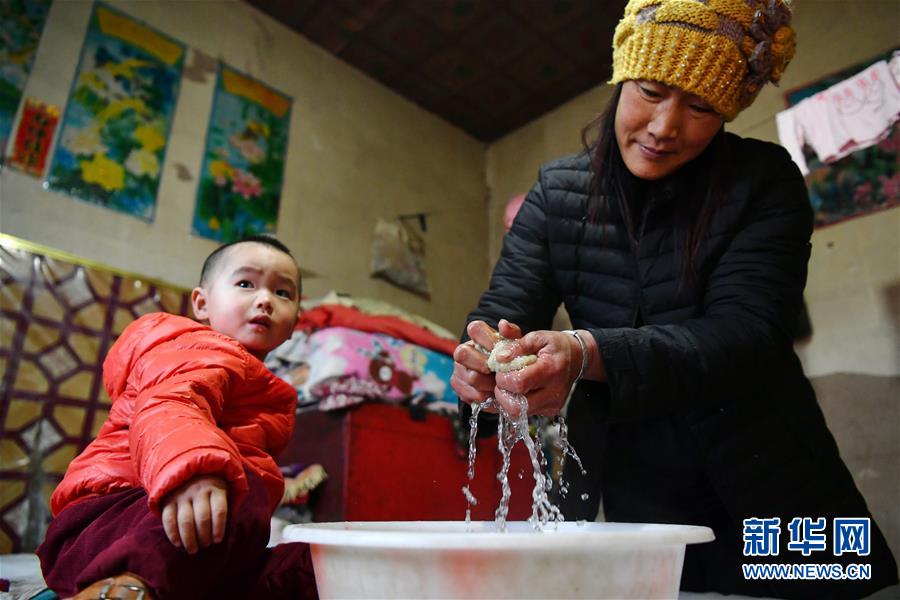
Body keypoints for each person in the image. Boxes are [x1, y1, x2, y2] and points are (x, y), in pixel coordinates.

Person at [451, 1, 898, 598]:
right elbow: (504, 308)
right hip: (640, 489)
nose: (666, 126)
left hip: (778, 479)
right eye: (652, 90)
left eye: (702, 106)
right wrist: (483, 365)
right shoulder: (557, 193)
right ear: (621, 77)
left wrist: (587, 353)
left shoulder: (764, 179)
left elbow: (751, 333)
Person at [37, 236, 318, 600]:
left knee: (311, 563)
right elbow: (169, 405)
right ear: (202, 303)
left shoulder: (260, 383)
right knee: (238, 486)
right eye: (246, 284)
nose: (264, 299)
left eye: (283, 292)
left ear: (296, 319)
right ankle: (126, 586)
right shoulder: (196, 349)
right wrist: (195, 470)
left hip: (187, 541)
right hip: (107, 524)